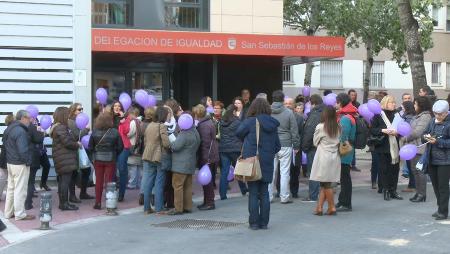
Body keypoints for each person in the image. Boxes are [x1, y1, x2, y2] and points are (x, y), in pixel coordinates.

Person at [236, 98, 281, 230]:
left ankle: (254, 223)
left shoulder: (250, 122)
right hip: (267, 161)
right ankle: (264, 223)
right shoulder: (273, 124)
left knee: (253, 192)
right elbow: (277, 146)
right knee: (265, 193)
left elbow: (238, 133)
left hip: (252, 160)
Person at [3, 110, 35, 220]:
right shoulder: (21, 131)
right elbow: (23, 150)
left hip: (10, 162)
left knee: (11, 188)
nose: (30, 120)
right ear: (23, 118)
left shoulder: (10, 128)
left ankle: (8, 213)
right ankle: (20, 214)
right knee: (20, 189)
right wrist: (28, 162)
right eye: (29, 118)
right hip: (19, 164)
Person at [269, 91, 300, 204]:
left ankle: (268, 196)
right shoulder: (289, 112)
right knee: (285, 172)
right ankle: (284, 197)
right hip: (285, 144)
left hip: (271, 144)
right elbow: (294, 131)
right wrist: (296, 145)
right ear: (283, 100)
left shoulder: (268, 112)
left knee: (271, 171)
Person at [399, 96, 432, 203]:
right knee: (414, 170)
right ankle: (418, 192)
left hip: (420, 147)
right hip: (413, 147)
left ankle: (422, 194)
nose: (414, 106)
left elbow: (418, 131)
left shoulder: (425, 116)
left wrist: (405, 138)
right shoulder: (418, 115)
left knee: (419, 171)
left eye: (415, 104)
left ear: (421, 105)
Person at [167, 113, 201, 215]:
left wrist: (171, 142)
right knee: (188, 186)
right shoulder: (195, 132)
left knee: (177, 186)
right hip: (190, 163)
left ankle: (178, 208)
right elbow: (198, 143)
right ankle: (187, 206)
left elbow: (175, 147)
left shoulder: (183, 134)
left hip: (180, 165)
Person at [370, 95, 402, 201]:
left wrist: (397, 132)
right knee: (384, 170)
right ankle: (386, 190)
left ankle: (393, 190)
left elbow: (402, 129)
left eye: (394, 102)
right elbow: (372, 130)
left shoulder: (397, 115)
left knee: (395, 169)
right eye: (391, 102)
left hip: (394, 146)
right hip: (383, 146)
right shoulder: (378, 115)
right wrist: (383, 130)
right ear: (385, 103)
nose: (394, 104)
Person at [310, 106, 341, 216]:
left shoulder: (321, 126)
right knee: (325, 183)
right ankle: (319, 207)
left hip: (323, 157)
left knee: (325, 184)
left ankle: (332, 207)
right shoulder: (338, 127)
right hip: (334, 157)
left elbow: (315, 142)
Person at [89, 113, 123, 209]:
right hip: (110, 159)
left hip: (98, 159)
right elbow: (121, 147)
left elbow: (90, 147)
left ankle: (98, 203)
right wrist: (115, 153)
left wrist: (94, 154)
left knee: (98, 181)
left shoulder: (94, 132)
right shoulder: (115, 132)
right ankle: (109, 203)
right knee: (109, 182)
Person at [423, 100, 450, 220]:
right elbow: (424, 133)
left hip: (445, 160)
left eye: (440, 114)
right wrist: (426, 137)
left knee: (443, 186)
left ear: (446, 113)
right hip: (432, 157)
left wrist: (438, 141)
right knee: (435, 185)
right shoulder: (432, 121)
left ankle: (443, 211)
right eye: (435, 113)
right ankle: (440, 207)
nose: (437, 116)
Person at [50, 107, 81, 211]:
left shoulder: (58, 127)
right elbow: (67, 142)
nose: (69, 116)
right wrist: (77, 144)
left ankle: (63, 203)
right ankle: (64, 204)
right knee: (65, 182)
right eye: (67, 114)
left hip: (63, 158)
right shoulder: (61, 128)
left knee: (63, 181)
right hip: (64, 158)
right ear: (63, 115)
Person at [142, 106, 170, 214]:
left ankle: (146, 208)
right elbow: (166, 143)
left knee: (148, 182)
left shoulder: (150, 125)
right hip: (158, 156)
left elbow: (145, 140)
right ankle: (159, 208)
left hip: (148, 155)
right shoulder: (161, 126)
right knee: (159, 182)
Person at [194, 105, 220, 210]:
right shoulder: (209, 122)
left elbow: (205, 143)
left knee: (207, 181)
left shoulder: (203, 125)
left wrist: (204, 158)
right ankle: (207, 201)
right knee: (208, 180)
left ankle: (209, 202)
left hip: (207, 157)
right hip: (212, 155)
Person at [219, 105, 247, 199]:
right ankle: (243, 189)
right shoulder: (237, 122)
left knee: (224, 171)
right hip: (235, 149)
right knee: (238, 170)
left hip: (223, 149)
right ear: (234, 112)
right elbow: (242, 134)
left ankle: (222, 194)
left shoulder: (222, 122)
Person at [335, 93, 357, 212]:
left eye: (337, 102)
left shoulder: (345, 118)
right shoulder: (349, 114)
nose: (335, 104)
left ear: (340, 102)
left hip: (345, 150)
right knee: (344, 177)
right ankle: (342, 200)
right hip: (348, 149)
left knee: (345, 178)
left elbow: (343, 135)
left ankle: (346, 203)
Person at [301, 94, 325, 202]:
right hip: (325, 146)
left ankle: (313, 195)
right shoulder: (326, 112)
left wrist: (304, 147)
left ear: (312, 103)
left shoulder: (315, 114)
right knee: (322, 171)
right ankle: (323, 195)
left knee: (313, 172)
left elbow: (309, 132)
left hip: (314, 147)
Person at [68, 103, 93, 201]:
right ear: (73, 110)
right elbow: (76, 136)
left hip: (81, 149)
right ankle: (73, 196)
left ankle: (83, 193)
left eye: (82, 109)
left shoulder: (80, 120)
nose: (81, 111)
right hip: (74, 149)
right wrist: (86, 129)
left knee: (86, 170)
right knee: (74, 173)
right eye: (79, 109)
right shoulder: (71, 122)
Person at [282, 97, 304, 198]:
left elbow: (300, 134)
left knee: (295, 170)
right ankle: (280, 190)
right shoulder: (280, 116)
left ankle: (294, 191)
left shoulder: (299, 118)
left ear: (293, 106)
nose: (288, 105)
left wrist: (298, 146)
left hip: (296, 148)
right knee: (282, 170)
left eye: (290, 103)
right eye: (286, 103)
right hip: (283, 146)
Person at [24, 115, 45, 210]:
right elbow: (39, 139)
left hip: (23, 157)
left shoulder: (21, 127)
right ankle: (28, 203)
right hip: (32, 157)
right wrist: (41, 132)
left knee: (25, 181)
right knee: (30, 181)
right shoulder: (32, 127)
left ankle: (26, 201)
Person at [117, 107, 133, 202]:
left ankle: (121, 194)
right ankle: (111, 192)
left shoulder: (126, 120)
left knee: (122, 169)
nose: (117, 108)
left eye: (119, 106)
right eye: (115, 106)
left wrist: (123, 121)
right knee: (112, 171)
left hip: (123, 146)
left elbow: (127, 131)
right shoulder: (109, 118)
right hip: (112, 146)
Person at [400, 101, 416, 192]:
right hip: (411, 144)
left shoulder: (408, 118)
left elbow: (407, 131)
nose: (402, 110)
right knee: (411, 166)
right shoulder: (412, 116)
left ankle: (412, 186)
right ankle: (412, 185)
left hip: (409, 144)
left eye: (403, 108)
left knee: (411, 166)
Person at [127, 107, 143, 191]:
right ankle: (139, 183)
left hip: (133, 145)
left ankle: (132, 183)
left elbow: (129, 133)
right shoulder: (140, 121)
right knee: (139, 166)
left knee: (133, 166)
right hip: (139, 146)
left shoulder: (133, 122)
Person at [0, 114, 14, 200]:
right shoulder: (13, 130)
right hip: (9, 157)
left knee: (3, 177)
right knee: (10, 178)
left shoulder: (6, 130)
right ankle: (10, 197)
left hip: (3, 156)